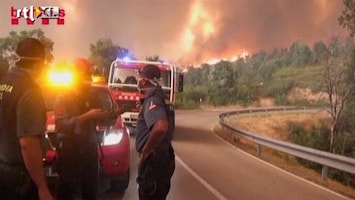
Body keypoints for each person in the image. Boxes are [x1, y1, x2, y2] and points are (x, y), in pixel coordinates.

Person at [0, 38, 53, 200]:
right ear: (39, 62)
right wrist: (42, 187)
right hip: (19, 177)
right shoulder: (29, 90)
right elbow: (28, 144)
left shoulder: (5, 82)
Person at [54, 58, 110, 200]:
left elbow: (104, 118)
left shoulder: (93, 96)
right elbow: (61, 125)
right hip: (70, 152)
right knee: (66, 191)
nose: (90, 78)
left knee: (91, 190)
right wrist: (85, 117)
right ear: (78, 76)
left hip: (89, 151)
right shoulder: (63, 98)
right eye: (87, 75)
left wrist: (106, 115)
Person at [136, 64, 175, 200]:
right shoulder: (161, 98)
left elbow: (161, 126)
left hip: (153, 163)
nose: (139, 81)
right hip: (162, 159)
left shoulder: (153, 99)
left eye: (140, 77)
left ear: (145, 80)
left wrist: (146, 151)